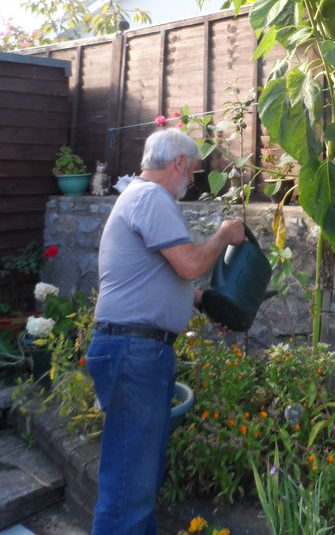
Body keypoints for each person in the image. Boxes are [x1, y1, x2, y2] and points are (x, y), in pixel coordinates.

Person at [86, 127, 244, 535]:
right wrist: (224, 235)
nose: (191, 180)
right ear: (177, 163)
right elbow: (190, 264)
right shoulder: (153, 197)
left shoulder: (137, 196)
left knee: (136, 475)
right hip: (134, 351)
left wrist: (204, 303)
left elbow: (162, 277)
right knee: (129, 487)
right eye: (191, 171)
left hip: (132, 349)